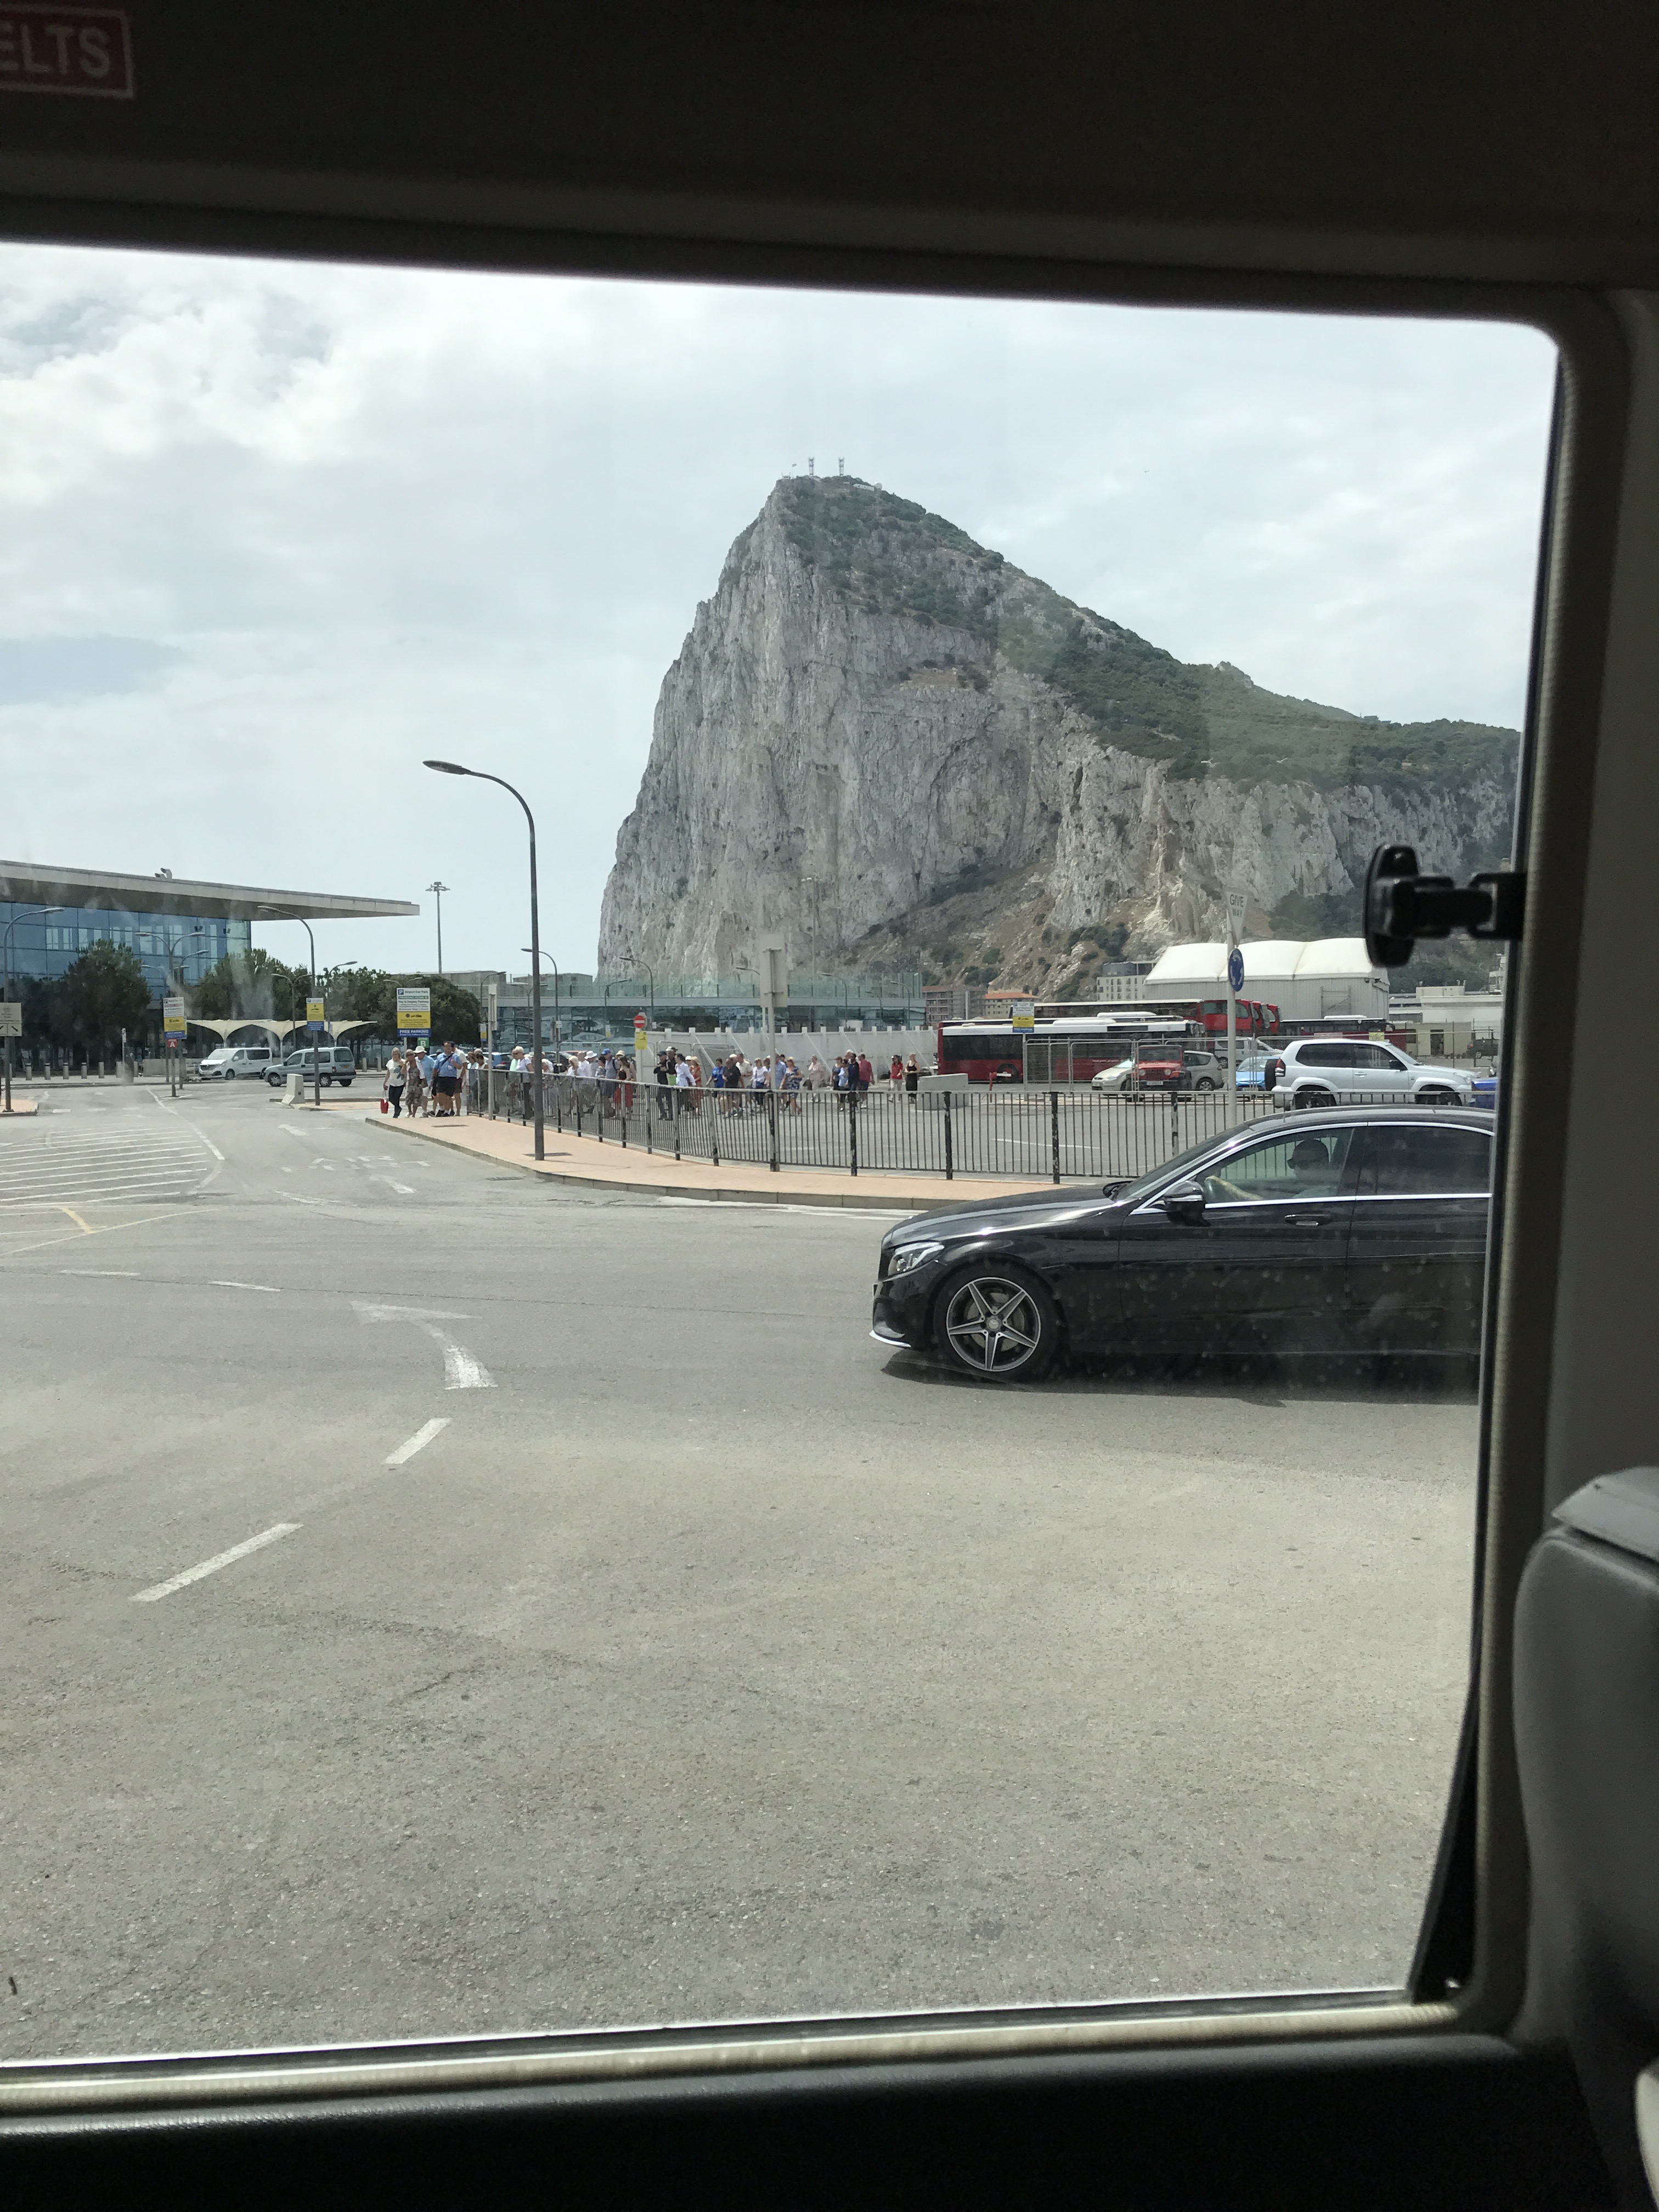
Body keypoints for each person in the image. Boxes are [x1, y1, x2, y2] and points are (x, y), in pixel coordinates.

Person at [383, 1048, 405, 1119]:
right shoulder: (390, 1062)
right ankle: (398, 1108)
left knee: (396, 1098)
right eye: (394, 1054)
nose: (395, 1056)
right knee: (391, 1099)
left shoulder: (403, 1062)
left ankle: (396, 1114)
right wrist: (385, 1082)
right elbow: (388, 1073)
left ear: (399, 1055)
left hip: (400, 1083)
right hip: (392, 1084)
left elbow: (406, 1073)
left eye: (396, 1054)